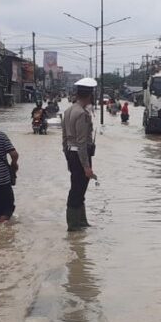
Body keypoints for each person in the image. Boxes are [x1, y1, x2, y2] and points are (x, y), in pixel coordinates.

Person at [62, 78, 96, 231]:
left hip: (71, 154)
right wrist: (87, 166)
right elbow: (82, 143)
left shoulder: (68, 110)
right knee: (78, 190)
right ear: (89, 95)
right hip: (80, 156)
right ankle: (74, 226)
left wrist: (68, 157)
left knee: (78, 188)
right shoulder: (82, 114)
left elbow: (64, 139)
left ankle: (82, 222)